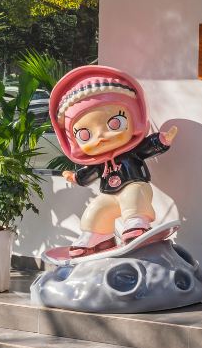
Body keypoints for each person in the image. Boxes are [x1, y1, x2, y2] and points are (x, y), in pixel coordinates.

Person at [48, 66, 177, 258]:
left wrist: (161, 140)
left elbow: (147, 147)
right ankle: (97, 236)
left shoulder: (130, 152)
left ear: (135, 119)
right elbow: (89, 173)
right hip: (110, 195)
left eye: (115, 123)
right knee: (95, 209)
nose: (100, 137)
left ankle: (136, 222)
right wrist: (76, 177)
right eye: (85, 135)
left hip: (135, 185)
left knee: (133, 196)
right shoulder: (99, 162)